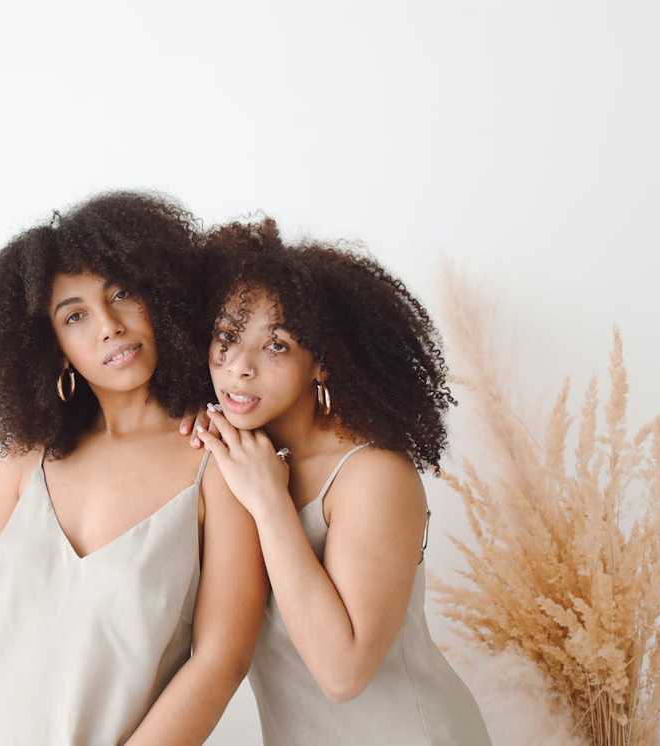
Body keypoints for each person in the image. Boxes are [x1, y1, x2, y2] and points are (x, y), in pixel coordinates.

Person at [0, 191, 268, 745]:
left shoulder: (219, 463)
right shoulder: (24, 460)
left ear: (161, 300)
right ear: (53, 347)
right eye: (75, 315)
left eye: (122, 294)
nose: (108, 325)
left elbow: (221, 660)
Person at [191, 218, 492, 745]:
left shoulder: (372, 475)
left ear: (322, 364)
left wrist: (268, 502)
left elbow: (343, 672)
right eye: (228, 336)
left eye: (276, 345)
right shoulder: (241, 455)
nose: (239, 366)